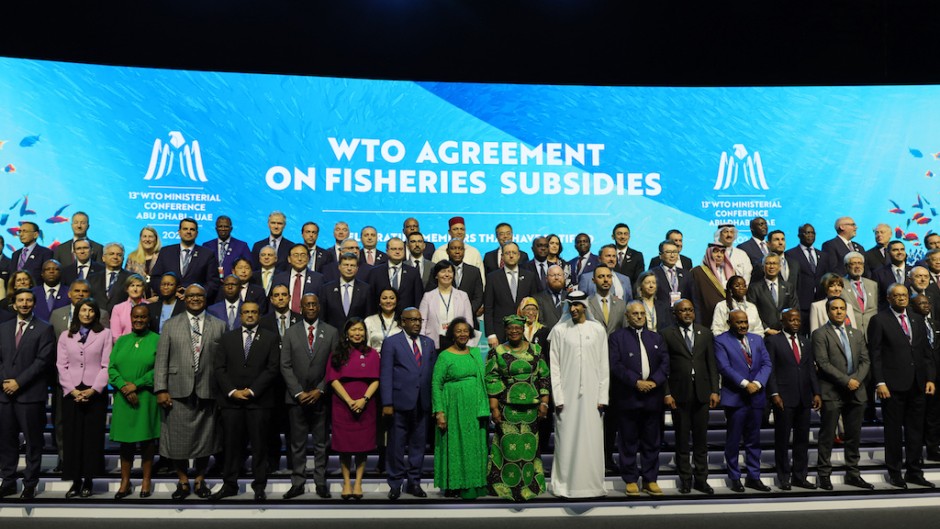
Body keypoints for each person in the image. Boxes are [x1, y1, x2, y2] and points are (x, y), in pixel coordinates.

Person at [154, 283, 226, 500]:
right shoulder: (170, 325)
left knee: (206, 440)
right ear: (184, 299)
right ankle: (183, 481)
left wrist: (223, 392)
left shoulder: (219, 325)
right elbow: (161, 359)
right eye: (191, 295)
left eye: (199, 296)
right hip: (177, 391)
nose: (195, 299)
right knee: (177, 441)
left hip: (208, 390)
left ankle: (200, 479)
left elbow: (223, 363)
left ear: (206, 299)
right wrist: (161, 389)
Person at [868, 283, 937, 488]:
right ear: (889, 298)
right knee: (894, 432)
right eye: (897, 295)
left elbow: (926, 353)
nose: (901, 298)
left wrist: (930, 379)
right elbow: (875, 354)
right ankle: (895, 472)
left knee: (916, 431)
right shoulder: (879, 320)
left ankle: (914, 471)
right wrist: (880, 382)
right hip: (892, 385)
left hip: (918, 384)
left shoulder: (917, 319)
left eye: (904, 295)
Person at [210, 302, 280, 501]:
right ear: (240, 315)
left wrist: (252, 391)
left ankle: (259, 486)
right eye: (246, 312)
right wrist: (232, 391)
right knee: (231, 446)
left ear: (259, 315)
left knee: (260, 446)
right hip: (232, 403)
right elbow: (219, 368)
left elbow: (272, 368)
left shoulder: (271, 338)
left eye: (254, 312)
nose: (250, 315)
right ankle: (229, 485)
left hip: (259, 402)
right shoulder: (227, 338)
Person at [548, 291, 609, 498]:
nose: (573, 309)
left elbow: (604, 365)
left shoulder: (597, 330)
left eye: (577, 305)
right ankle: (564, 486)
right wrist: (558, 397)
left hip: (593, 397)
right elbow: (554, 367)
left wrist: (602, 397)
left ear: (585, 306)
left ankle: (592, 486)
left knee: (592, 440)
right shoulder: (559, 330)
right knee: (566, 439)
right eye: (571, 305)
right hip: (566, 396)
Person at [485, 314, 550, 501]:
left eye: (518, 328)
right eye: (510, 328)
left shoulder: (536, 350)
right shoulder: (497, 352)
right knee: (508, 447)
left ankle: (529, 486)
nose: (514, 331)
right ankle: (505, 487)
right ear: (505, 330)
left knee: (529, 447)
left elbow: (544, 376)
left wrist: (544, 402)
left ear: (523, 330)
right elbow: (492, 378)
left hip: (530, 409)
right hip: (507, 408)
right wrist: (494, 408)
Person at [280, 294, 338, 500]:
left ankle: (320, 482)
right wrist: (298, 392)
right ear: (301, 308)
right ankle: (298, 482)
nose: (311, 307)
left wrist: (320, 389)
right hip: (296, 398)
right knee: (297, 444)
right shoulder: (290, 332)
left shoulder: (331, 332)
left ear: (319, 307)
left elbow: (334, 364)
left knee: (321, 443)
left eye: (314, 304)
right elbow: (285, 365)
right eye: (307, 305)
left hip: (320, 398)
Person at [608, 301, 669, 496]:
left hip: (653, 397)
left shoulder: (656, 337)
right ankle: (631, 479)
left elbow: (665, 363)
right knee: (628, 441)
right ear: (627, 316)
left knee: (652, 442)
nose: (640, 316)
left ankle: (650, 480)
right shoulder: (617, 338)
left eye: (642, 313)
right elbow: (615, 365)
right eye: (635, 314)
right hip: (628, 397)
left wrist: (654, 381)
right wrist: (636, 382)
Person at [0, 288, 55, 500]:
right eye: (21, 300)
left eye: (28, 300)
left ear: (34, 303)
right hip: (5, 395)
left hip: (30, 396)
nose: (24, 304)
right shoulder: (3, 328)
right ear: (14, 304)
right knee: (6, 441)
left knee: (33, 442)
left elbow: (42, 361)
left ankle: (30, 483)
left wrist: (18, 382)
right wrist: (5, 382)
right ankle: (8, 481)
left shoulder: (45, 328)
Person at [661, 299, 719, 494]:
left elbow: (711, 363)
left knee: (701, 441)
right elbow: (664, 367)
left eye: (690, 310)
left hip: (702, 393)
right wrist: (667, 392)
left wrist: (715, 390)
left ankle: (701, 480)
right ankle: (685, 479)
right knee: (682, 440)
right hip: (679, 394)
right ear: (675, 314)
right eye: (683, 310)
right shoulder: (667, 334)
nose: (687, 313)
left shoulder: (705, 333)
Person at [813, 297, 871, 490]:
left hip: (856, 391)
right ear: (828, 311)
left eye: (842, 308)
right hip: (832, 391)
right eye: (835, 308)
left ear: (846, 311)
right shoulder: (820, 334)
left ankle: (853, 473)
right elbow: (823, 363)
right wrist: (847, 381)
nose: (839, 311)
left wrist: (856, 380)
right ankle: (824, 474)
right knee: (828, 435)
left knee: (854, 436)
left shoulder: (856, 333)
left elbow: (865, 360)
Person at [56, 297, 112, 498]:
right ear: (77, 312)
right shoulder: (66, 335)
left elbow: (106, 365)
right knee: (72, 438)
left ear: (96, 314)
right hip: (72, 392)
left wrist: (94, 389)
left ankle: (89, 480)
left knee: (92, 437)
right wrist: (72, 390)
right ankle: (75, 481)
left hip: (94, 392)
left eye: (91, 310)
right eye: (83, 310)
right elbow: (61, 365)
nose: (87, 314)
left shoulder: (105, 334)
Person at [381, 307, 437, 500]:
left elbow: (432, 375)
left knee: (418, 446)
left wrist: (434, 404)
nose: (416, 323)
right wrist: (387, 402)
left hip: (423, 403)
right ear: (403, 322)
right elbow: (386, 374)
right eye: (412, 320)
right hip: (399, 403)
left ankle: (414, 482)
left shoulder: (428, 343)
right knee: (396, 445)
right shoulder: (391, 342)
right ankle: (395, 483)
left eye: (419, 320)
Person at [714, 310, 772, 492]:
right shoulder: (721, 340)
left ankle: (754, 477)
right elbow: (724, 367)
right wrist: (746, 384)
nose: (743, 325)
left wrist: (757, 383)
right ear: (729, 323)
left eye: (745, 322)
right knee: (733, 440)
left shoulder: (757, 339)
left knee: (754, 440)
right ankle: (735, 477)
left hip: (756, 396)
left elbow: (767, 364)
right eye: (739, 322)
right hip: (736, 397)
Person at [433, 318, 489, 499]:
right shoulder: (444, 356)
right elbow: (436, 385)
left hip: (474, 409)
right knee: (455, 446)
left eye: (465, 331)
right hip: (453, 408)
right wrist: (439, 412)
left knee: (474, 446)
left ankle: (475, 483)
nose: (463, 334)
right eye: (458, 331)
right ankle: (454, 485)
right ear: (452, 334)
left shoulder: (474, 353)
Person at [108, 304, 160, 499]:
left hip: (146, 397)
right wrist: (124, 387)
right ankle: (125, 481)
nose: (139, 320)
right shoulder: (122, 341)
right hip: (123, 399)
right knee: (125, 443)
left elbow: (159, 369)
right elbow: (111, 368)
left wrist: (136, 385)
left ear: (148, 319)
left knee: (147, 441)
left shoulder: (157, 340)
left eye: (143, 317)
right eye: (136, 317)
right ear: (130, 318)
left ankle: (146, 480)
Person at [766, 309, 821, 490]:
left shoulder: (805, 341)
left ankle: (800, 476)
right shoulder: (773, 341)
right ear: (783, 321)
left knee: (802, 440)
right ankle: (784, 477)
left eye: (798, 320)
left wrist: (816, 392)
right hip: (783, 397)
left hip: (804, 397)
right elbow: (770, 370)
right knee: (782, 440)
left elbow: (810, 369)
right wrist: (774, 394)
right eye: (792, 320)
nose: (796, 323)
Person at [327, 318, 381, 500]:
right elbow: (333, 379)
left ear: (365, 333)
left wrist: (364, 400)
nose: (357, 333)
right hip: (342, 404)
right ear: (347, 333)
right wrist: (349, 401)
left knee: (362, 446)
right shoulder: (337, 353)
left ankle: (358, 482)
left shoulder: (372, 354)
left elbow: (376, 379)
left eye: (360, 330)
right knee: (344, 447)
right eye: (353, 330)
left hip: (366, 404)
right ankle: (346, 482)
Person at [148, 218, 221, 301]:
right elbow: (155, 279)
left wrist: (194, 293)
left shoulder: (207, 254)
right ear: (179, 232)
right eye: (185, 229)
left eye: (192, 229)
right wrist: (170, 292)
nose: (188, 232)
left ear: (196, 233)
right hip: (169, 301)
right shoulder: (166, 252)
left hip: (196, 303)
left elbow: (213, 282)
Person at [484, 242, 538, 346]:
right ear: (502, 256)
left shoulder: (529, 277)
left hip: (525, 330)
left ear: (519, 255)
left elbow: (535, 305)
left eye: (514, 252)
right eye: (508, 253)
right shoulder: (492, 278)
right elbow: (488, 308)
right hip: (500, 332)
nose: (511, 255)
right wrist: (491, 334)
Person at [420, 260, 474, 349]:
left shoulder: (463, 296)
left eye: (450, 271)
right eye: (443, 271)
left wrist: (470, 344)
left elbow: (469, 322)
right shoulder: (428, 296)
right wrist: (422, 343)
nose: (447, 274)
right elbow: (422, 321)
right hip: (434, 342)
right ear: (436, 275)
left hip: (457, 341)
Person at [366, 237, 424, 312]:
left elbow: (418, 298)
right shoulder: (375, 272)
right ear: (387, 251)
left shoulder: (413, 272)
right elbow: (370, 300)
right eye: (394, 249)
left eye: (400, 249)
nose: (397, 252)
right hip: (381, 316)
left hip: (406, 316)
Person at [746, 253, 798, 333]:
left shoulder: (788, 287)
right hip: (763, 332)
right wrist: (766, 329)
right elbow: (752, 312)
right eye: (768, 263)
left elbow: (794, 308)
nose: (771, 266)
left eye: (774, 263)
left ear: (780, 267)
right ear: (763, 267)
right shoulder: (754, 288)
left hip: (785, 332)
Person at [786, 223, 826, 326]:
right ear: (799, 235)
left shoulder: (823, 255)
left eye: (812, 233)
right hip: (802, 304)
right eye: (807, 233)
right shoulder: (790, 254)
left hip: (820, 302)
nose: (810, 235)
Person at [321, 252, 374, 329]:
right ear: (339, 267)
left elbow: (368, 317)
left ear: (357, 268)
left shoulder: (366, 289)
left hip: (357, 333)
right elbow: (322, 317)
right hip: (332, 334)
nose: (349, 268)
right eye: (346, 265)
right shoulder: (327, 289)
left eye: (352, 265)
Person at [273, 244, 325, 314]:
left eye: (303, 255)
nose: (299, 259)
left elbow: (322, 304)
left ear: (308, 258)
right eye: (296, 255)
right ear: (289, 259)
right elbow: (273, 303)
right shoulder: (278, 278)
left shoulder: (318, 278)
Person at [691, 244, 733, 328]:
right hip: (707, 318)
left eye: (722, 252)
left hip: (729, 317)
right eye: (716, 251)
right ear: (709, 253)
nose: (719, 255)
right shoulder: (698, 272)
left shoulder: (730, 271)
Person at [841, 252, 878, 336]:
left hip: (872, 330)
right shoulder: (840, 284)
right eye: (853, 263)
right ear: (846, 267)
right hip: (851, 331)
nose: (857, 266)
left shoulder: (873, 284)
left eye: (860, 263)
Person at [88, 242, 132, 312]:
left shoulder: (130, 278)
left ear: (123, 259)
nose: (115, 257)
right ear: (103, 258)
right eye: (111, 254)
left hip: (121, 316)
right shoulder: (92, 278)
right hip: (97, 316)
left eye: (119, 255)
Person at [651, 240, 695, 305]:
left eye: (675, 252)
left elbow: (694, 298)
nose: (672, 255)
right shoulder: (653, 274)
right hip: (661, 310)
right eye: (668, 252)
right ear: (660, 255)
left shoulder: (686, 274)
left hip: (682, 310)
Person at [110, 274, 149, 341]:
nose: (135, 289)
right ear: (127, 289)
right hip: (124, 345)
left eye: (138, 286)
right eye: (132, 285)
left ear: (143, 289)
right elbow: (115, 335)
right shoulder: (118, 309)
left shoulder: (150, 306)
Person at [30, 258, 68, 323]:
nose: (51, 271)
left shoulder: (69, 292)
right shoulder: (32, 293)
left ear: (61, 273)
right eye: (48, 269)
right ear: (42, 273)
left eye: (56, 269)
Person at [532, 265, 567, 332]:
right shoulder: (537, 298)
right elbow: (539, 322)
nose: (556, 278)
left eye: (559, 275)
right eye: (553, 275)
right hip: (547, 336)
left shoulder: (570, 297)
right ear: (546, 278)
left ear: (564, 277)